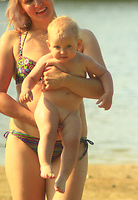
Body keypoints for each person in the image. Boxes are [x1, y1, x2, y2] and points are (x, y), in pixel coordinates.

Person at [0, 0, 113, 200]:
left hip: (70, 143)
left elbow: (100, 88)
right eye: (29, 0)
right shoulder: (13, 40)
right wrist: (37, 121)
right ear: (21, 6)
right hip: (23, 140)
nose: (37, 3)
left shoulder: (81, 38)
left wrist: (65, 79)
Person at [19, 16, 113, 193]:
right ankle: (45, 164)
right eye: (57, 47)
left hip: (71, 112)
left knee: (72, 141)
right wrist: (26, 89)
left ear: (78, 44)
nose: (62, 52)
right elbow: (30, 77)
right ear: (49, 46)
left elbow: (104, 74)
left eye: (68, 47)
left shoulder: (83, 60)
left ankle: (62, 177)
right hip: (50, 107)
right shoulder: (46, 60)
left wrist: (108, 93)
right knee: (47, 130)